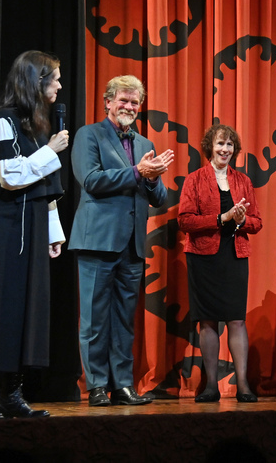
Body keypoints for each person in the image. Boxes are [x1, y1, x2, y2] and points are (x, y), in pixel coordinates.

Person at [0, 50, 70, 420]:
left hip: (31, 230)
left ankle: (11, 394)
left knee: (26, 310)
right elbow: (9, 175)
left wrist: (53, 231)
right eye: (53, 78)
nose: (58, 85)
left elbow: (46, 188)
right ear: (35, 81)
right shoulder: (4, 120)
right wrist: (51, 151)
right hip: (2, 232)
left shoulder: (37, 127)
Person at [69, 75, 174, 406]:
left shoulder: (145, 145)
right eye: (124, 100)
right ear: (108, 102)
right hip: (97, 242)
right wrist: (138, 173)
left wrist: (154, 177)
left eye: (135, 102)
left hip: (132, 246)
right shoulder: (90, 135)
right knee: (95, 320)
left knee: (124, 321)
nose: (129, 106)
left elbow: (159, 198)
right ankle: (97, 385)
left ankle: (123, 385)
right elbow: (91, 180)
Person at [178, 124, 263, 403]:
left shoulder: (243, 181)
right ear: (209, 148)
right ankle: (211, 386)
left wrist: (240, 221)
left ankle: (243, 385)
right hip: (203, 257)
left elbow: (257, 222)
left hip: (234, 254)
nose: (225, 149)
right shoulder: (194, 179)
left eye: (229, 145)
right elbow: (185, 220)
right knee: (208, 322)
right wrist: (221, 219)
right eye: (220, 144)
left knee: (237, 319)